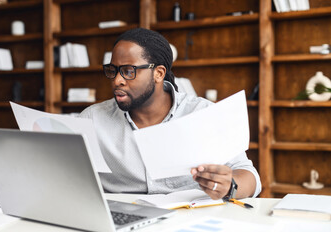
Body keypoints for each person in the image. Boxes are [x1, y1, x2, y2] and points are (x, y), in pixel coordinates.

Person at [80, 28, 261, 200]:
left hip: (189, 219)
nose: (117, 80)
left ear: (158, 73)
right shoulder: (92, 120)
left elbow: (250, 176)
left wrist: (230, 186)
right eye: (113, 71)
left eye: (128, 71)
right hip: (122, 222)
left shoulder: (202, 114)